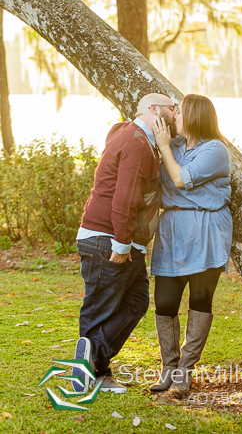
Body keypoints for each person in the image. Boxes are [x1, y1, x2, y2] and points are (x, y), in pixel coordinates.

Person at [73, 92, 176, 394]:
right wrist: (121, 244)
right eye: (173, 109)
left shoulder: (135, 137)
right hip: (109, 238)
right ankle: (86, 375)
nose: (175, 115)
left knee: (135, 302)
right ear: (154, 110)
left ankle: (94, 365)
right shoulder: (135, 141)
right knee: (100, 307)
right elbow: (125, 195)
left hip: (122, 240)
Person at [150, 94, 232, 397]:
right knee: (165, 302)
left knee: (199, 298)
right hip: (172, 229)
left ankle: (184, 370)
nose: (175, 118)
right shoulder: (174, 146)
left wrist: (162, 148)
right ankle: (168, 367)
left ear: (195, 116)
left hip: (205, 229)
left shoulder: (215, 150)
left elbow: (180, 180)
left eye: (180, 112)